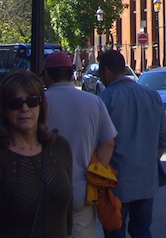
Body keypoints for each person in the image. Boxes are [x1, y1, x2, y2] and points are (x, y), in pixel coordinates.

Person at [0, 69, 74, 238]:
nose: (25, 108)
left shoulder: (59, 148)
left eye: (32, 101)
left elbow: (67, 215)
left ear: (41, 105)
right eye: (15, 103)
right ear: (3, 109)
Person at [43, 52, 117, 238]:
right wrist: (95, 171)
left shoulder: (39, 104)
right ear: (71, 73)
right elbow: (108, 143)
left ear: (47, 75)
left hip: (46, 187)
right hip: (82, 187)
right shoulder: (94, 102)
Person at [97, 49, 166, 238]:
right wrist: (150, 159)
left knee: (114, 230)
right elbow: (164, 137)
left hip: (116, 181)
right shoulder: (152, 95)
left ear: (106, 70)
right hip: (146, 179)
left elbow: (100, 142)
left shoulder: (104, 100)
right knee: (142, 230)